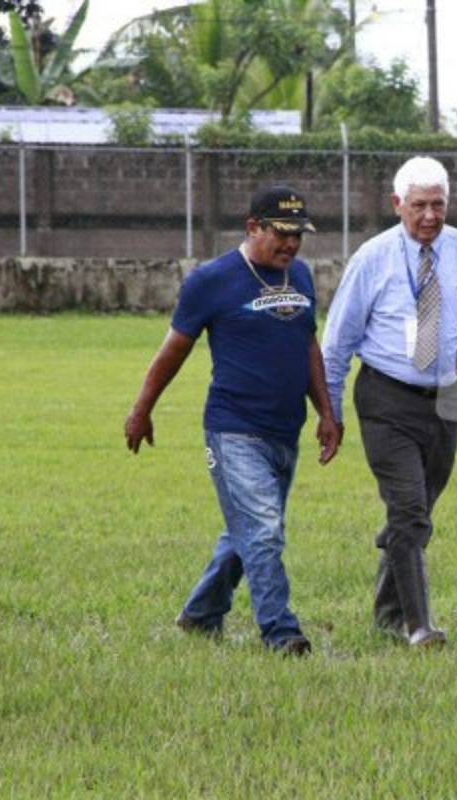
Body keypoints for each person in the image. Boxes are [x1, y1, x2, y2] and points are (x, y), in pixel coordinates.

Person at [125, 185, 341, 657]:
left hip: (286, 429)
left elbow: (308, 347)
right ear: (252, 228)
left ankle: (201, 614)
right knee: (263, 530)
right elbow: (173, 352)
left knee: (246, 531)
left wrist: (327, 412)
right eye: (281, 234)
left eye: (298, 236)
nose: (290, 245)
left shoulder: (299, 277)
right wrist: (142, 410)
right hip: (233, 428)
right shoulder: (212, 281)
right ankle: (281, 634)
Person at [322, 156, 457, 647]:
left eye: (438, 205)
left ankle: (386, 611)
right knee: (409, 511)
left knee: (416, 512)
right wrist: (331, 412)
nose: (430, 216)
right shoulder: (372, 258)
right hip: (386, 396)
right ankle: (418, 625)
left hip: (447, 396)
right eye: (420, 205)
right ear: (397, 204)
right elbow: (337, 343)